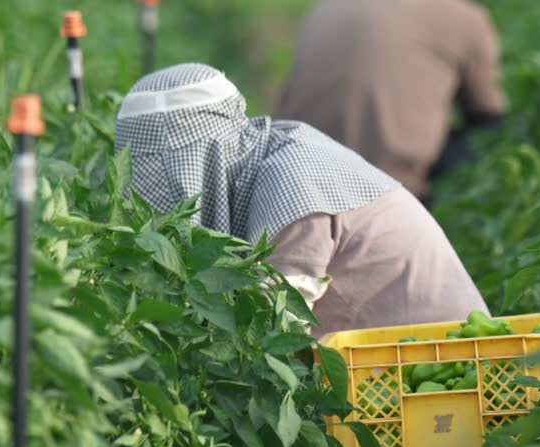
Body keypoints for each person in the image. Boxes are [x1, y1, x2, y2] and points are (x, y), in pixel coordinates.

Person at [114, 63, 488, 337]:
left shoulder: (293, 188)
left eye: (176, 171)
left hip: (440, 361)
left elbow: (272, 329)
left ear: (213, 150)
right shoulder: (274, 152)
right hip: (391, 363)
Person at [276, 0, 507, 203]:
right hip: (385, 189)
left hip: (289, 175)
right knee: (486, 135)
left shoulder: (326, 8)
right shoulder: (464, 17)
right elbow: (489, 115)